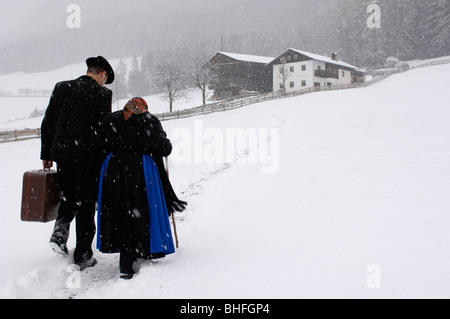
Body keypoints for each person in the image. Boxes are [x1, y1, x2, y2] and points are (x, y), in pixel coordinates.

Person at [94, 97, 187, 279]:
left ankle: (126, 260)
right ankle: (143, 250)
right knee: (141, 210)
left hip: (114, 170)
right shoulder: (149, 120)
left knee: (120, 212)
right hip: (140, 170)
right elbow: (164, 148)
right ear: (143, 109)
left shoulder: (111, 119)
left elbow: (97, 141)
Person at [40, 56, 114, 270]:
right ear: (103, 74)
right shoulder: (102, 94)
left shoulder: (62, 87)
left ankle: (60, 232)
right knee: (86, 205)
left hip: (63, 155)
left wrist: (47, 154)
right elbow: (102, 130)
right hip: (88, 158)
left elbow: (48, 122)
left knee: (70, 195)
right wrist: (105, 159)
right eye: (105, 79)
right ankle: (82, 255)